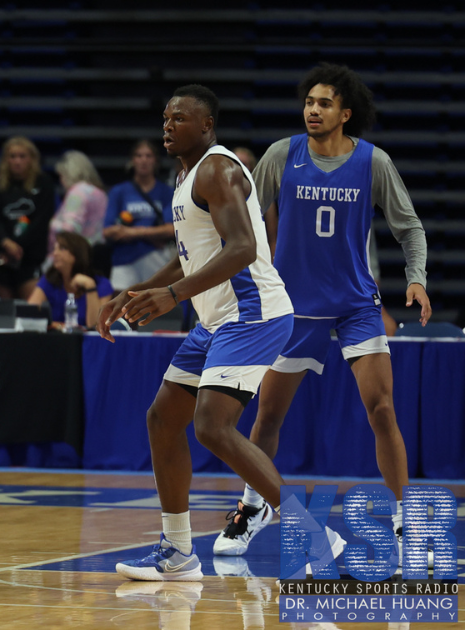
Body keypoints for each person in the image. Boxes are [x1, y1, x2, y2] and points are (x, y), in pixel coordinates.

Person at [218, 63, 430, 559]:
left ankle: (402, 518)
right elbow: (242, 218)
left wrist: (415, 278)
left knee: (382, 409)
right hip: (294, 306)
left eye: (325, 103)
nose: (313, 110)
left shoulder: (373, 162)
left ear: (345, 113)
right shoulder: (281, 155)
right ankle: (253, 508)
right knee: (267, 416)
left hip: (356, 304)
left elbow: (410, 228)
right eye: (309, 102)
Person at [99, 85, 297, 582]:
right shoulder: (186, 177)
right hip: (218, 319)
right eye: (165, 118)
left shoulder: (217, 167)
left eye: (180, 119)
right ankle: (178, 552)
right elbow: (193, 252)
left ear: (207, 125)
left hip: (254, 312)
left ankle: (312, 533)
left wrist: (173, 296)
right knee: (164, 419)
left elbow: (243, 249)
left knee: (211, 425)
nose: (168, 126)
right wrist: (139, 289)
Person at [0, 136, 55, 300]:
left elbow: (42, 220)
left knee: (30, 313)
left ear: (32, 159)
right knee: (4, 313)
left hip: (30, 257)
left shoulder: (44, 183)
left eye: (22, 156)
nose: (17, 161)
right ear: (5, 160)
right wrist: (5, 242)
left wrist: (18, 246)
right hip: (3, 257)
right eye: (13, 156)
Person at [102, 140, 176, 292]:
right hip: (124, 258)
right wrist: (152, 233)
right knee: (121, 307)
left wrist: (131, 232)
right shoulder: (119, 192)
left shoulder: (166, 192)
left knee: (156, 305)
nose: (144, 160)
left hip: (155, 257)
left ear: (155, 161)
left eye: (148, 156)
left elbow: (171, 229)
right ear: (132, 160)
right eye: (139, 156)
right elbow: (107, 230)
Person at [29, 232, 113, 331]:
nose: (55, 253)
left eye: (62, 248)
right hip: (56, 340)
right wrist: (61, 326)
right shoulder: (50, 280)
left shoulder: (101, 284)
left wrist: (90, 287)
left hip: (87, 342)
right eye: (54, 249)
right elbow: (30, 316)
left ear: (78, 253)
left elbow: (94, 325)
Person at [49, 150, 107, 245]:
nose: (61, 180)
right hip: (96, 250)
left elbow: (70, 229)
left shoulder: (77, 192)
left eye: (61, 175)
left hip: (78, 254)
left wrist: (54, 224)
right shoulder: (99, 193)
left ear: (68, 174)